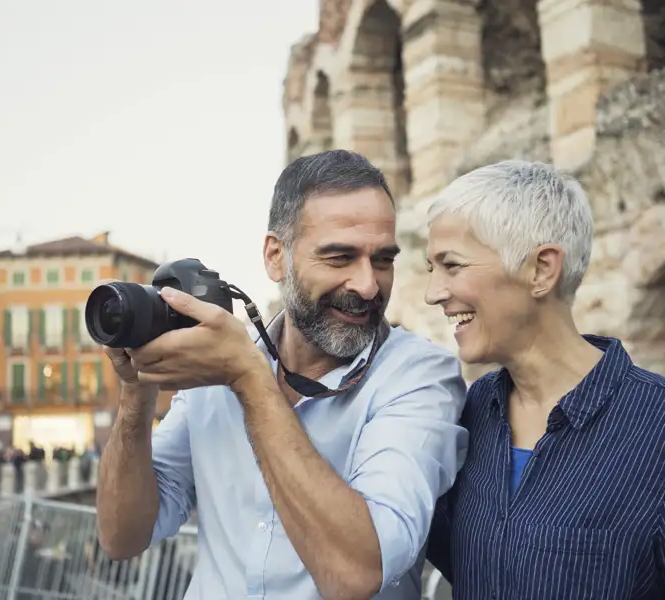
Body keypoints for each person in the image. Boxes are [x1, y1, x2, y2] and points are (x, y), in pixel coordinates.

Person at [97, 150, 469, 600]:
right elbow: (122, 537)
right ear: (276, 257)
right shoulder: (218, 371)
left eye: (383, 260)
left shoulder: (419, 377)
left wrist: (249, 379)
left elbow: (356, 573)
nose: (368, 285)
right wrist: (136, 392)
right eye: (339, 258)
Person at [423, 160, 665, 600]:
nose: (433, 292)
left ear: (540, 270)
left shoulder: (657, 428)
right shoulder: (470, 412)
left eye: (452, 266)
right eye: (431, 268)